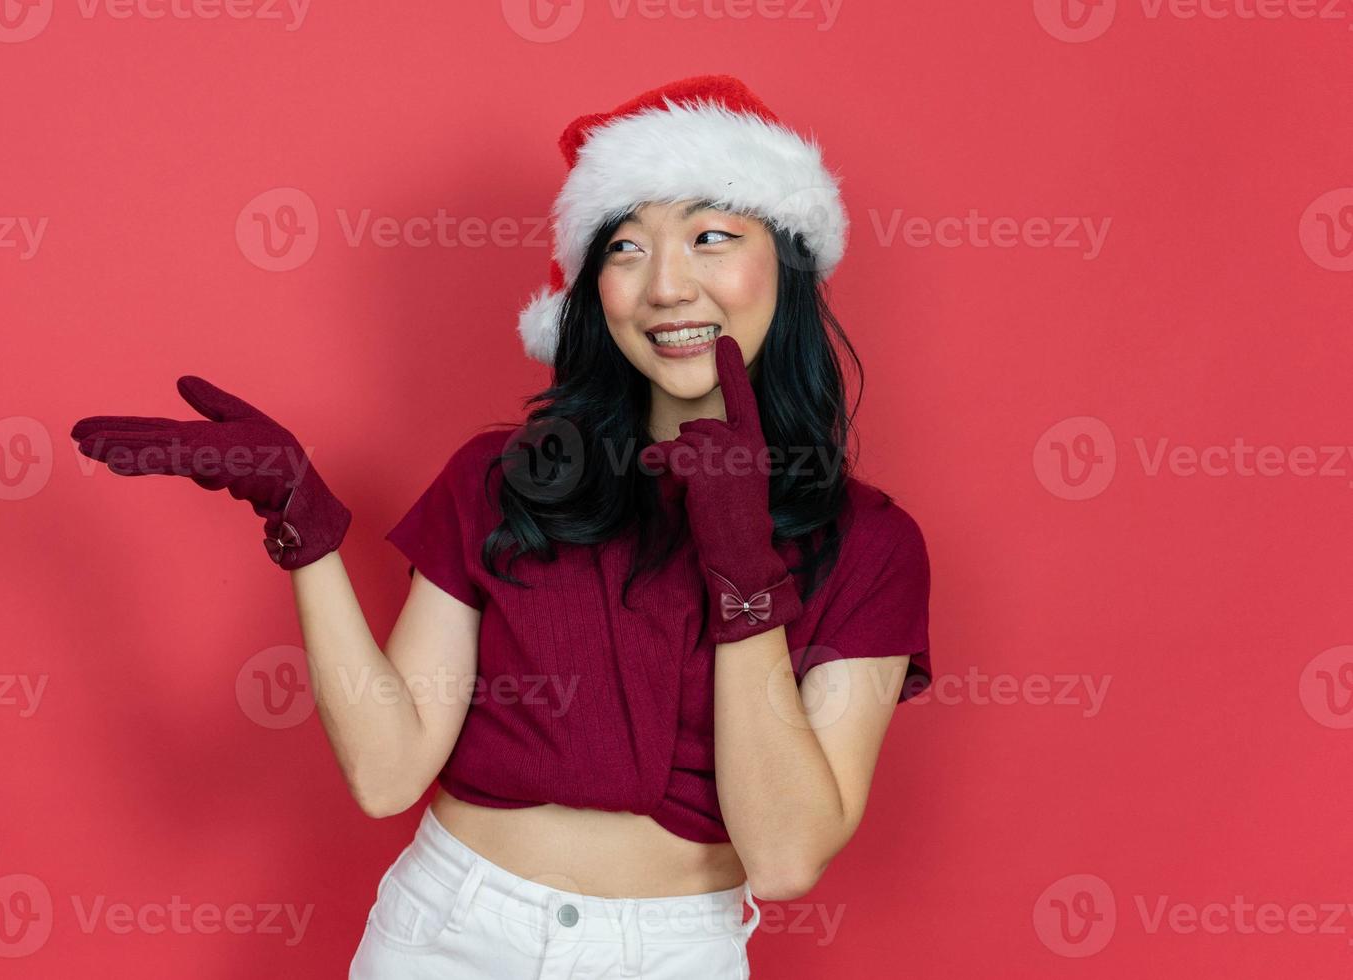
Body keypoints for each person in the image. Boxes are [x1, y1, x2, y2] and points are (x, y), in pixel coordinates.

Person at [70, 73, 933, 979]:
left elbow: (788, 858)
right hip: (444, 934)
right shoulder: (503, 480)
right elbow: (388, 772)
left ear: (787, 263)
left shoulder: (872, 545)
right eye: (626, 248)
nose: (667, 286)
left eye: (712, 236)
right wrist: (303, 524)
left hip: (670, 952)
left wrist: (741, 561)